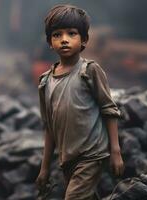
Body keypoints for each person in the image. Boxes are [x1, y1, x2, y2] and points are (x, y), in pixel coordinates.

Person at [35, 4, 124, 200]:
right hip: (67, 159)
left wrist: (115, 151)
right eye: (57, 35)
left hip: (92, 154)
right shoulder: (45, 82)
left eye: (71, 33)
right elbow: (49, 127)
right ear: (50, 42)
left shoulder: (89, 71)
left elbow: (109, 109)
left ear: (84, 40)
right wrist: (44, 168)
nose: (64, 39)